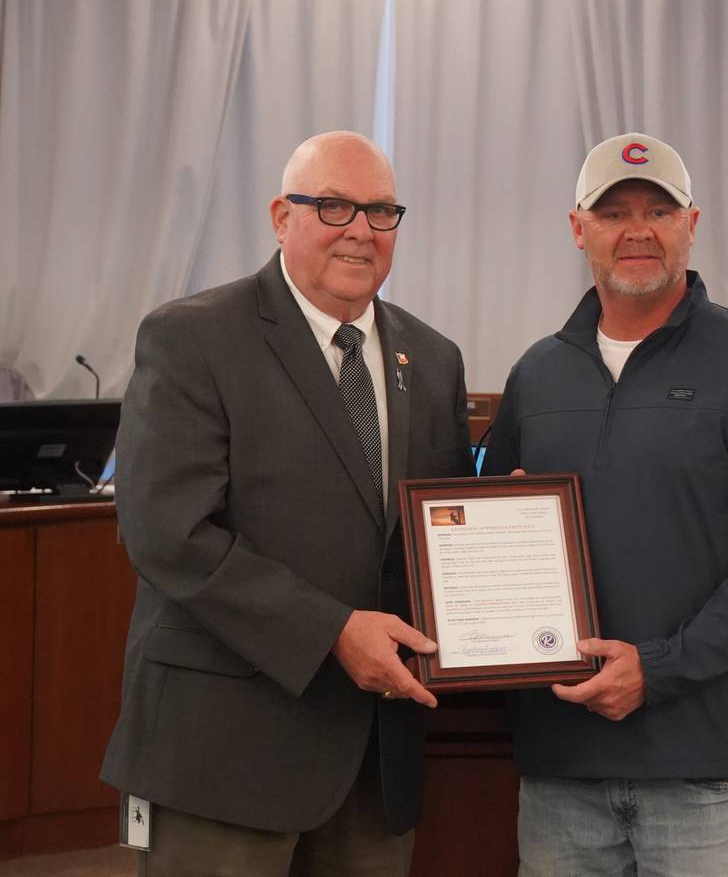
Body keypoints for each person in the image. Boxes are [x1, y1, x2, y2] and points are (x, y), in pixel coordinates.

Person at [102, 131, 474, 876]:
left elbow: (432, 531)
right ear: (281, 216)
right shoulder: (194, 337)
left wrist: (498, 532)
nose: (360, 230)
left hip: (376, 759)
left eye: (380, 211)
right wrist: (332, 631)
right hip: (225, 753)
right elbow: (166, 532)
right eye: (334, 206)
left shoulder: (432, 360)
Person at [481, 132, 728, 877]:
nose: (636, 230)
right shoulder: (537, 375)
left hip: (708, 774)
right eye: (612, 213)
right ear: (579, 230)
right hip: (561, 768)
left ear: (691, 225)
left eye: (658, 211)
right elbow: (483, 529)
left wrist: (659, 670)